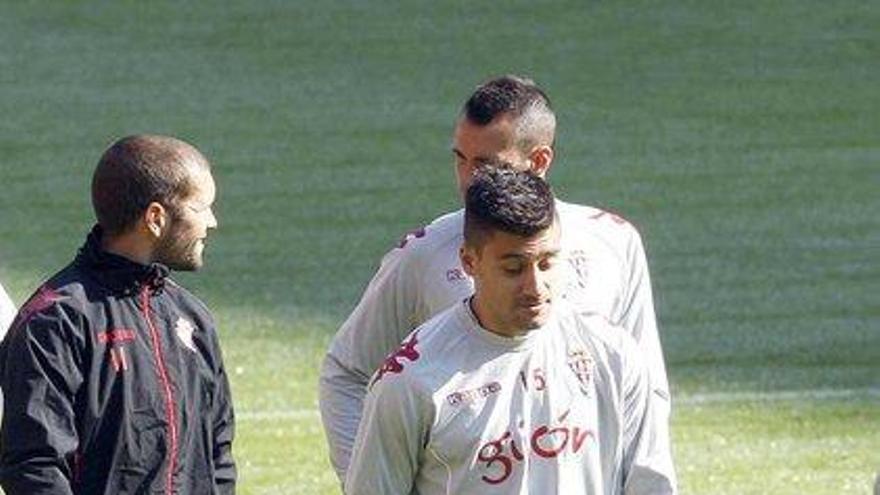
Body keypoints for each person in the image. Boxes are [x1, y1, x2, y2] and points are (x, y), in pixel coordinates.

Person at [320, 75, 672, 480]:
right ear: (471, 262)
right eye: (460, 159)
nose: (468, 180)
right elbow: (347, 373)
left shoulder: (613, 243)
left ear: (539, 162)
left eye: (487, 165)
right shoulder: (424, 253)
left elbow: (647, 387)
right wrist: (368, 477)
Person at [346, 168, 676, 494]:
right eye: (514, 268)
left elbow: (651, 483)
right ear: (469, 262)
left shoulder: (612, 353)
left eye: (547, 263)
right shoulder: (413, 380)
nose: (535, 287)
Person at [0, 135, 236, 494]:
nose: (213, 222)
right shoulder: (55, 323)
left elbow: (218, 453)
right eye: (201, 208)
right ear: (155, 218)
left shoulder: (192, 319)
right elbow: (35, 466)